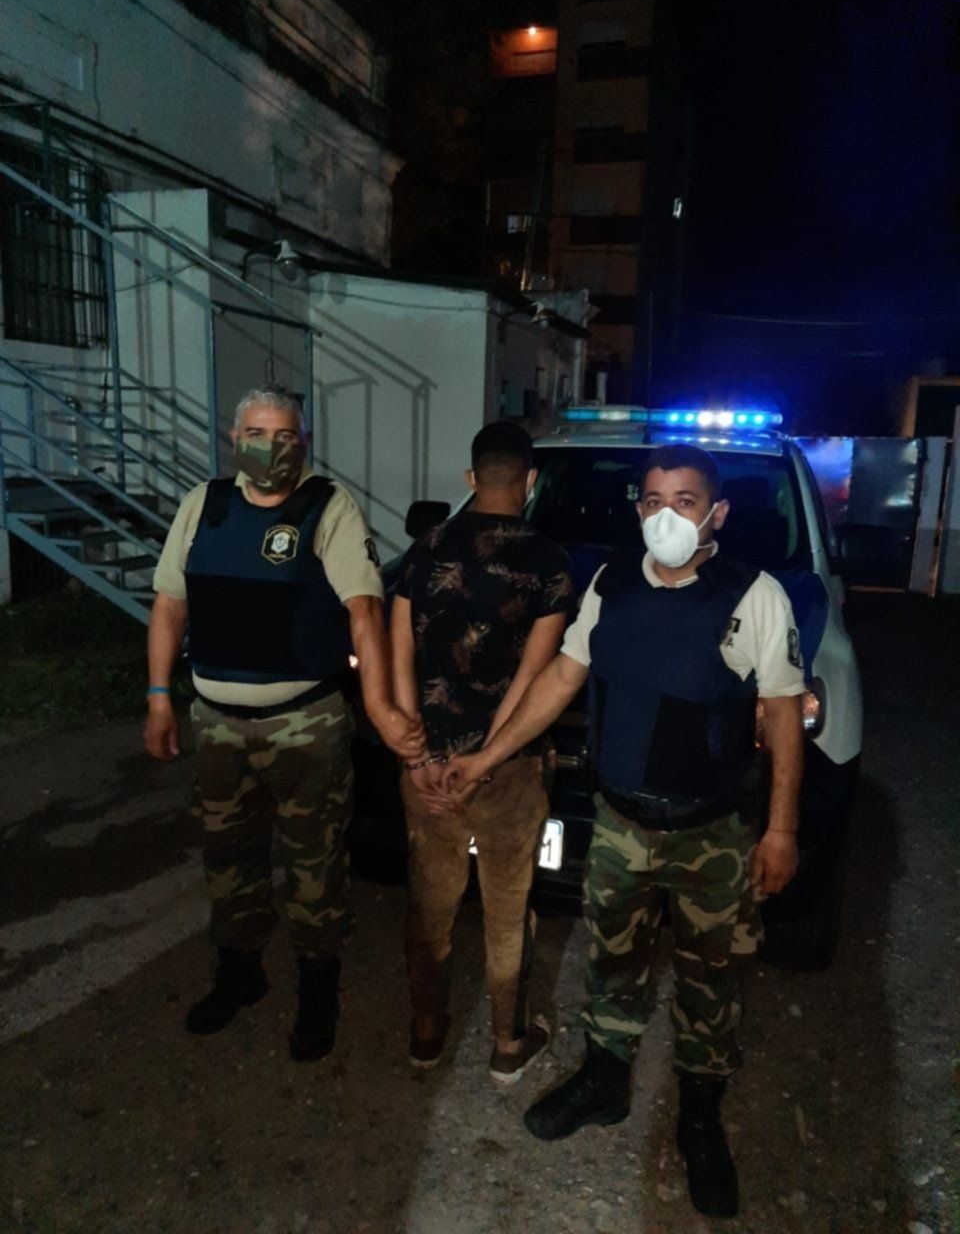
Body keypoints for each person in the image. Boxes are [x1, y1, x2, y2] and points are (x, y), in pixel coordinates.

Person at [442, 442, 805, 1218]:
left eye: (684, 501)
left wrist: (780, 828)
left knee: (712, 980)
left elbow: (781, 714)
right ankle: (605, 1082)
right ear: (637, 509)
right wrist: (485, 759)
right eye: (652, 501)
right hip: (619, 822)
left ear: (716, 513)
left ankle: (699, 1119)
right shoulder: (611, 584)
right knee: (613, 961)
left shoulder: (755, 595)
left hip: (710, 832)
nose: (665, 516)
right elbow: (561, 679)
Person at [144, 387, 423, 1062]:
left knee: (314, 863)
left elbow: (364, 610)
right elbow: (170, 605)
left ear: (305, 442)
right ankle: (240, 972)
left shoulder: (328, 507)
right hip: (217, 722)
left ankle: (318, 990)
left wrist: (381, 708)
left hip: (305, 724)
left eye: (286, 435)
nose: (271, 446)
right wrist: (158, 698)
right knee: (228, 856)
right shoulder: (204, 505)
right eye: (257, 433)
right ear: (233, 436)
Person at [390, 421, 578, 1083]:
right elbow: (534, 675)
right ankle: (507, 1043)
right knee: (508, 910)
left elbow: (398, 654)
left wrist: (416, 756)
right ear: (531, 482)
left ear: (471, 479)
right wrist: (488, 758)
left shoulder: (424, 550)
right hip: (508, 771)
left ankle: (426, 1033)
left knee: (430, 904)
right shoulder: (550, 561)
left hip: (428, 770)